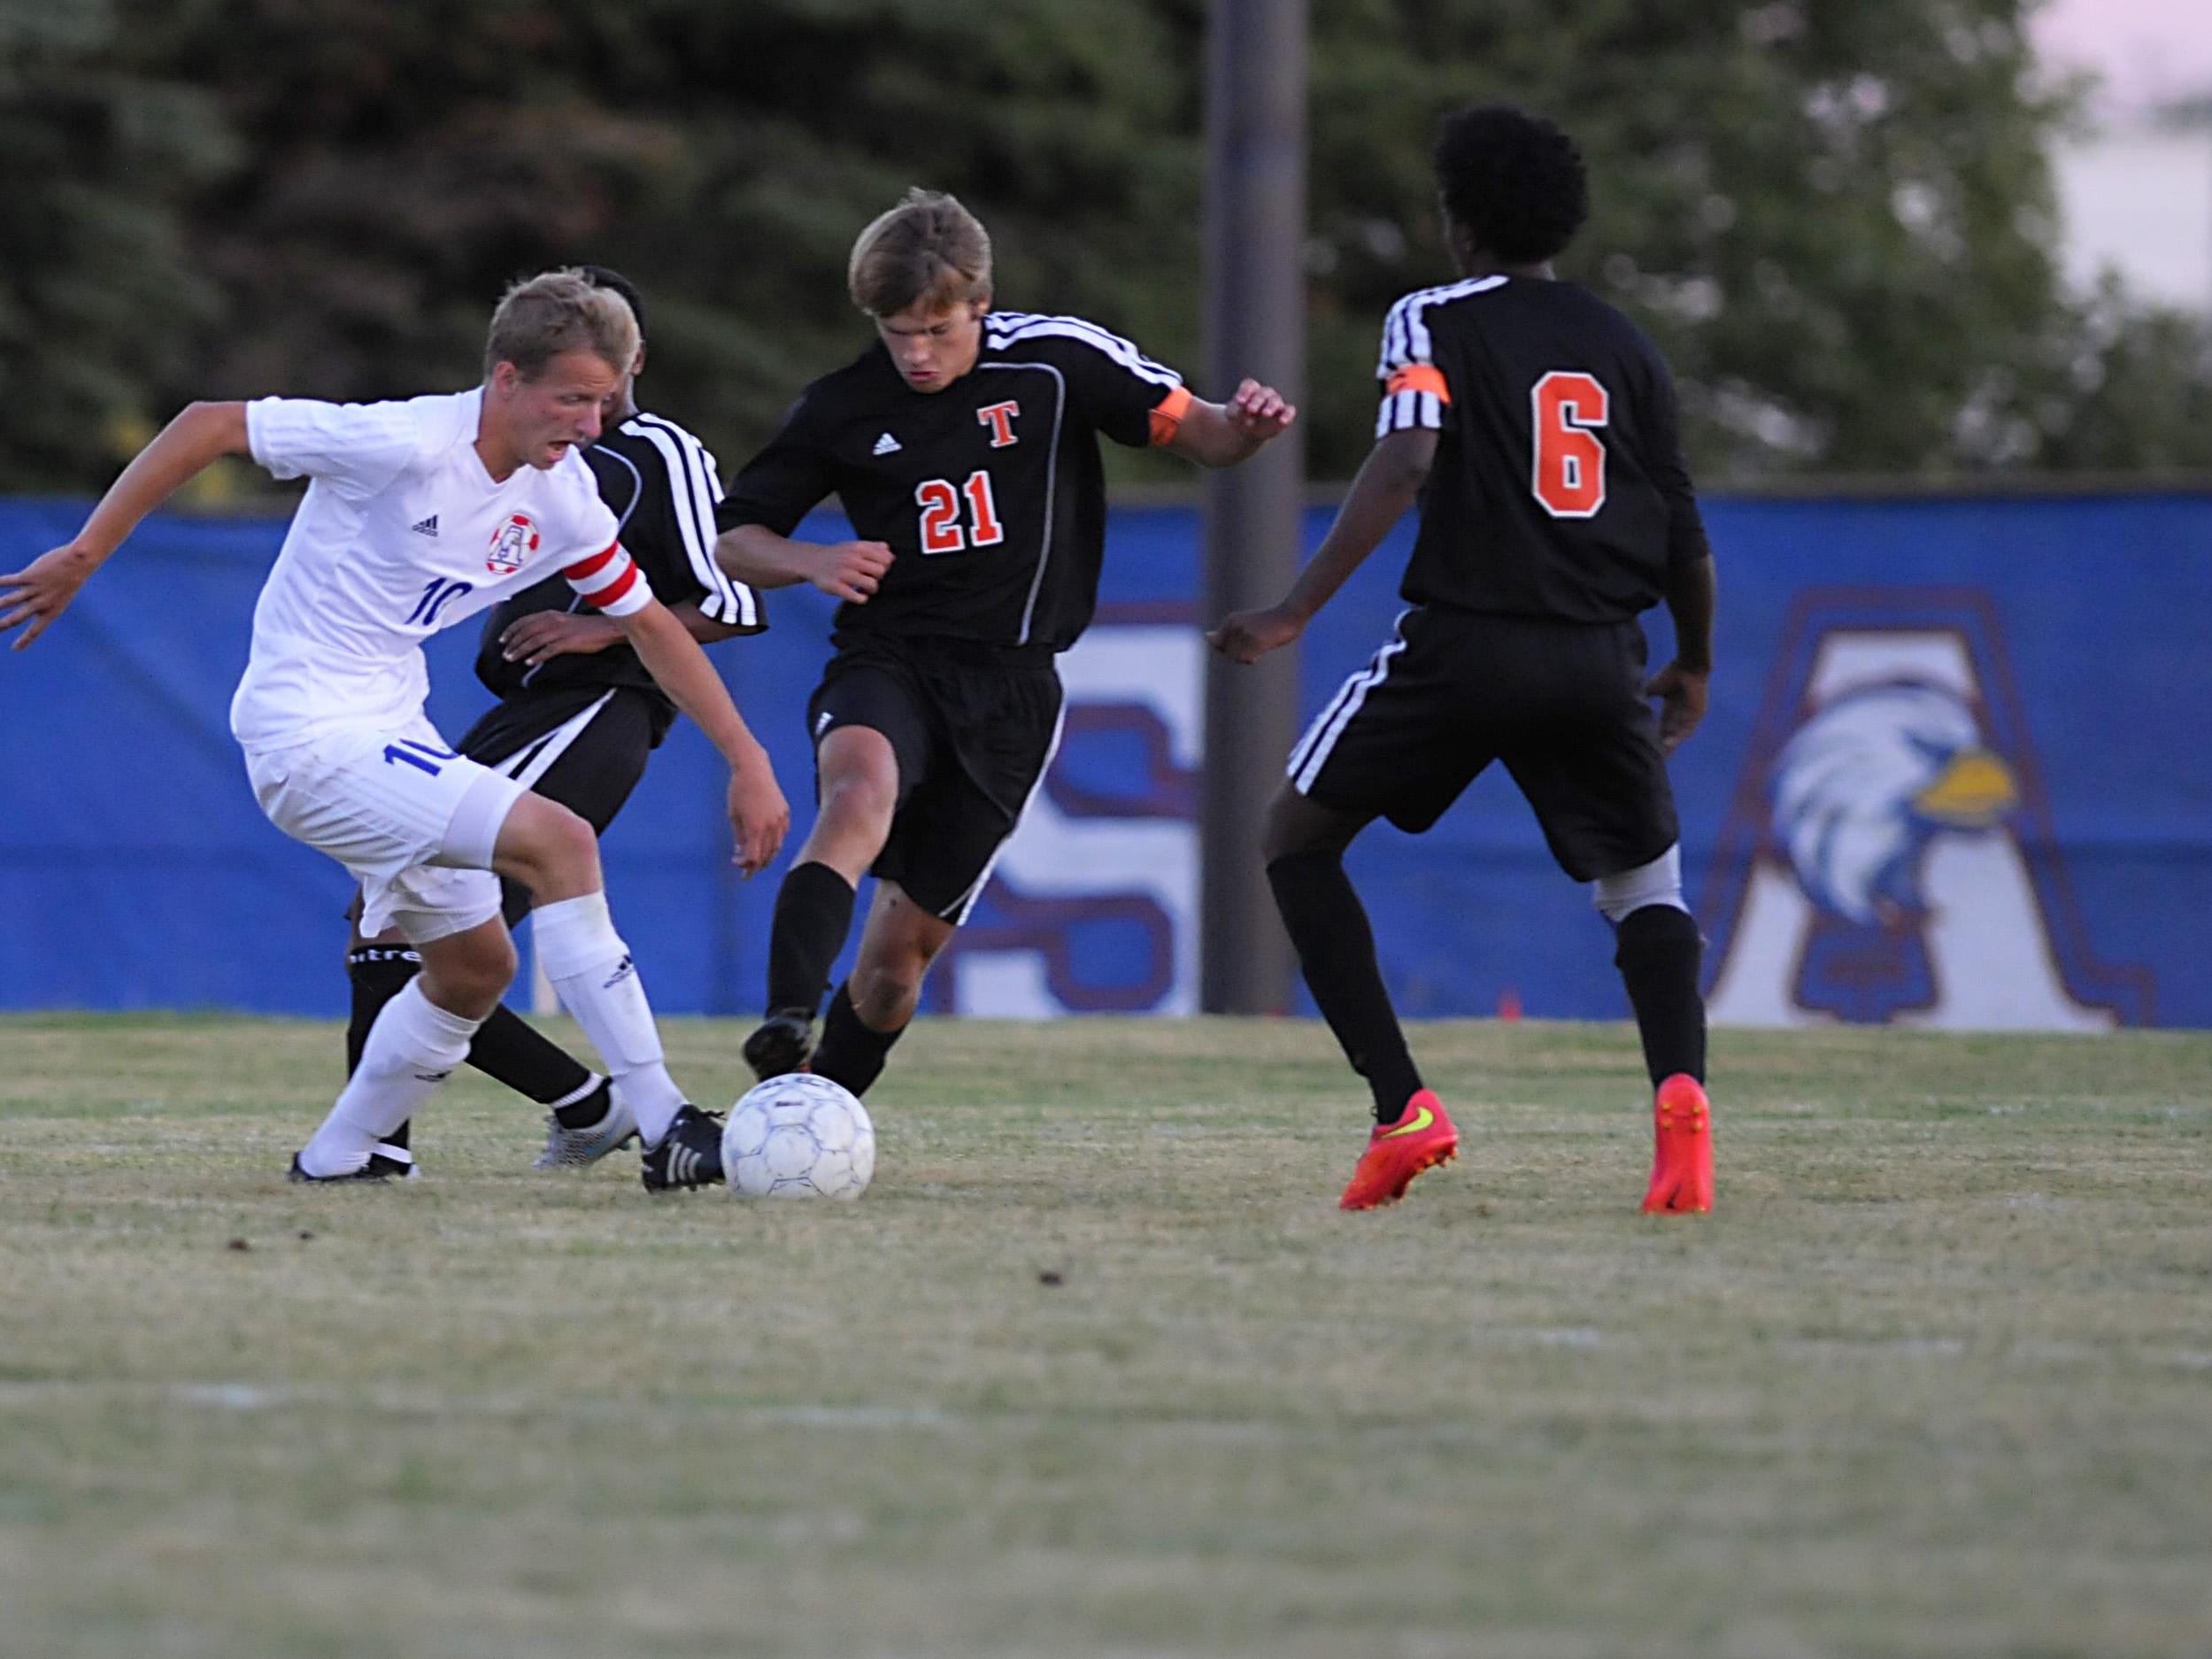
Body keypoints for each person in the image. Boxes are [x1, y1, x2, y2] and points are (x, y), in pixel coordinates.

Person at [1, 270, 788, 1191]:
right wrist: (84, 554)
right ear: (504, 379)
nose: (587, 422)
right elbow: (210, 422)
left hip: (385, 728)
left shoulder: (566, 493)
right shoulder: (405, 439)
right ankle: (664, 1121)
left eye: (603, 401)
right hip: (306, 734)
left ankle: (341, 1158)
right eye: (571, 397)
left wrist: (750, 757)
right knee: (559, 840)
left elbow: (653, 623)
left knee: (472, 967)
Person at [1209, 104, 1718, 1215]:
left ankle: (1404, 1108)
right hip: (1598, 651)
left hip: (1467, 641)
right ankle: (1681, 1093)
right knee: (1647, 890)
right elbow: (1681, 521)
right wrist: (1696, 659)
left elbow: (1408, 456)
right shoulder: (1624, 342)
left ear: (1458, 223)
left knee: (1294, 840)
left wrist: (1296, 606)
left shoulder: (1429, 315)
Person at [715, 187, 1294, 1105]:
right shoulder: (843, 404)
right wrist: (810, 559)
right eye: (895, 329)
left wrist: (1247, 426)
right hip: (891, 653)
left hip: (1012, 690)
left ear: (980, 304)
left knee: (896, 964)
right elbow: (733, 536)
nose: (914, 353)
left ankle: (812, 1110)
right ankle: (784, 1021)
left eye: (936, 329)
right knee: (858, 790)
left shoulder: (1058, 362)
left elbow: (1207, 434)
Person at [343, 266, 767, 1171]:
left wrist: (592, 630)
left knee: (404, 920)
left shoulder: (658, 451)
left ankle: (622, 1113)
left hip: (597, 708)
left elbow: (726, 602)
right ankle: (584, 1105)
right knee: (395, 918)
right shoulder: (536, 457)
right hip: (527, 709)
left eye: (598, 379)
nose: (583, 404)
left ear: (633, 359)